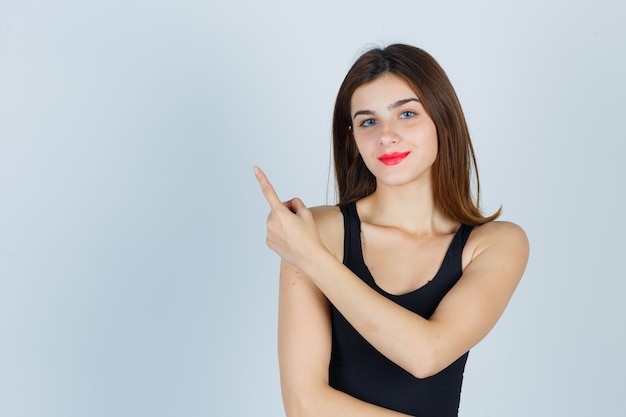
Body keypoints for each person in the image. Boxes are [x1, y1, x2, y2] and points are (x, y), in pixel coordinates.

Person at [254, 43, 529, 417]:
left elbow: (426, 354)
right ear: (352, 137)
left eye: (407, 114)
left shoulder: (496, 244)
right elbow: (305, 406)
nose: (387, 135)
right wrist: (308, 250)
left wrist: (311, 258)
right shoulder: (317, 230)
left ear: (443, 121)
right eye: (368, 121)